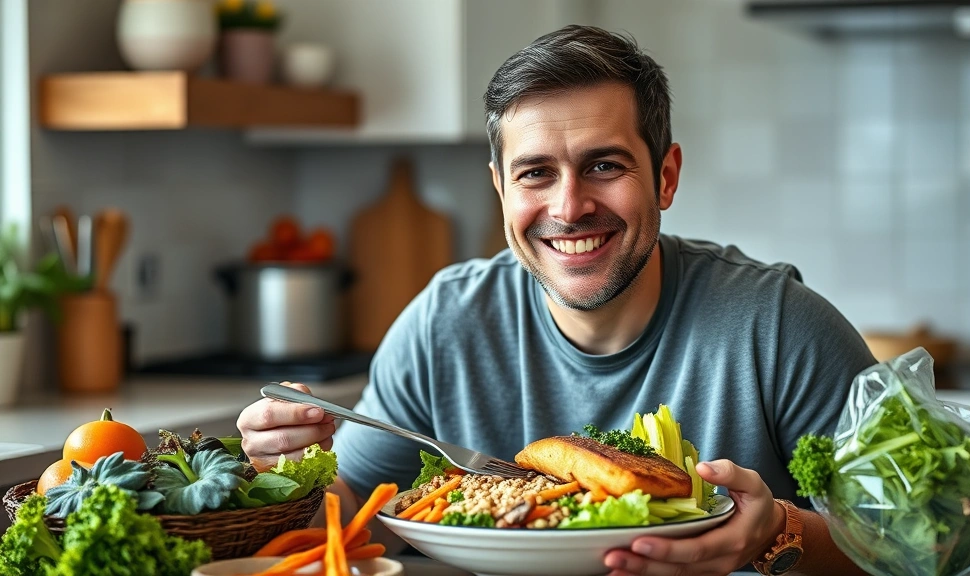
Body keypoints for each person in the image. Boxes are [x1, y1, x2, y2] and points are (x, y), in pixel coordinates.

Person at [238, 25, 875, 576]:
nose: (569, 208)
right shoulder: (443, 323)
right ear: (500, 187)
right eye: (535, 172)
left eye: (604, 165)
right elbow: (360, 522)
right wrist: (294, 471)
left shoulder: (780, 326)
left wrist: (777, 534)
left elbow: (923, 547)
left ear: (666, 177)